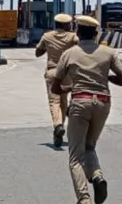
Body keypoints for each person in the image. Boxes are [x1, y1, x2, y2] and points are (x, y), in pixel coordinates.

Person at [51, 15, 122, 204]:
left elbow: (55, 87)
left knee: (75, 156)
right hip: (103, 103)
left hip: (80, 102)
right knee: (90, 146)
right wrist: (104, 77)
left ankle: (84, 198)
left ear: (77, 33)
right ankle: (97, 176)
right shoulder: (109, 52)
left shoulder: (69, 54)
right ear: (96, 34)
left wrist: (69, 88)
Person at [35, 13, 78, 148]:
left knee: (54, 101)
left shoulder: (47, 36)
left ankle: (58, 125)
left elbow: (38, 52)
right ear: (66, 25)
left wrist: (48, 47)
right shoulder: (72, 37)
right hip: (66, 73)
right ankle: (59, 128)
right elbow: (81, 44)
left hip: (53, 71)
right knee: (63, 102)